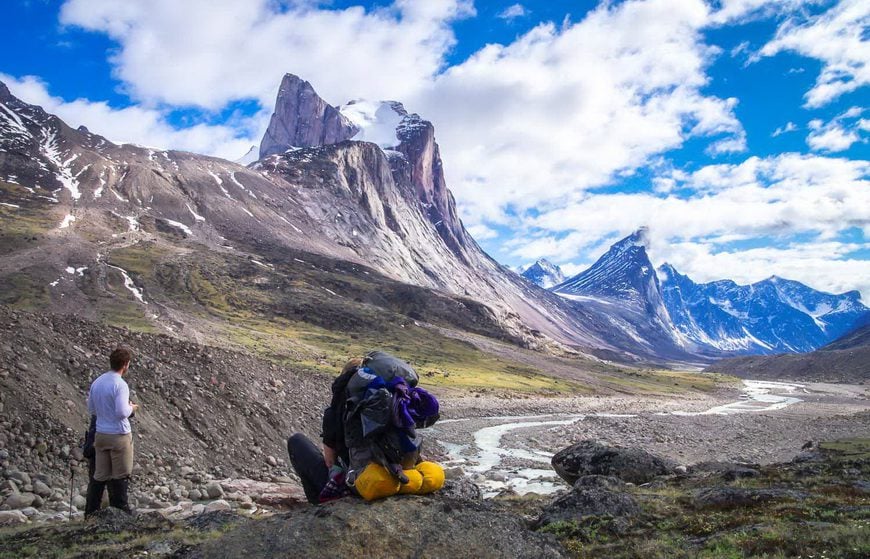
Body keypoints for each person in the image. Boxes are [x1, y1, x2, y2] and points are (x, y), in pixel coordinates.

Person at [287, 351, 444, 504]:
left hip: (359, 482)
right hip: (399, 472)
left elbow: (329, 461)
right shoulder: (392, 403)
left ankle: (316, 503)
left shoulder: (335, 411)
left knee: (297, 442)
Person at [85, 347, 139, 515]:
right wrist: (132, 407)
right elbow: (122, 412)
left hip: (100, 435)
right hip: (119, 435)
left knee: (100, 475)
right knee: (120, 475)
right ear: (125, 365)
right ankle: (120, 513)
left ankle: (91, 512)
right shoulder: (120, 385)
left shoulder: (98, 382)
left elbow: (91, 408)